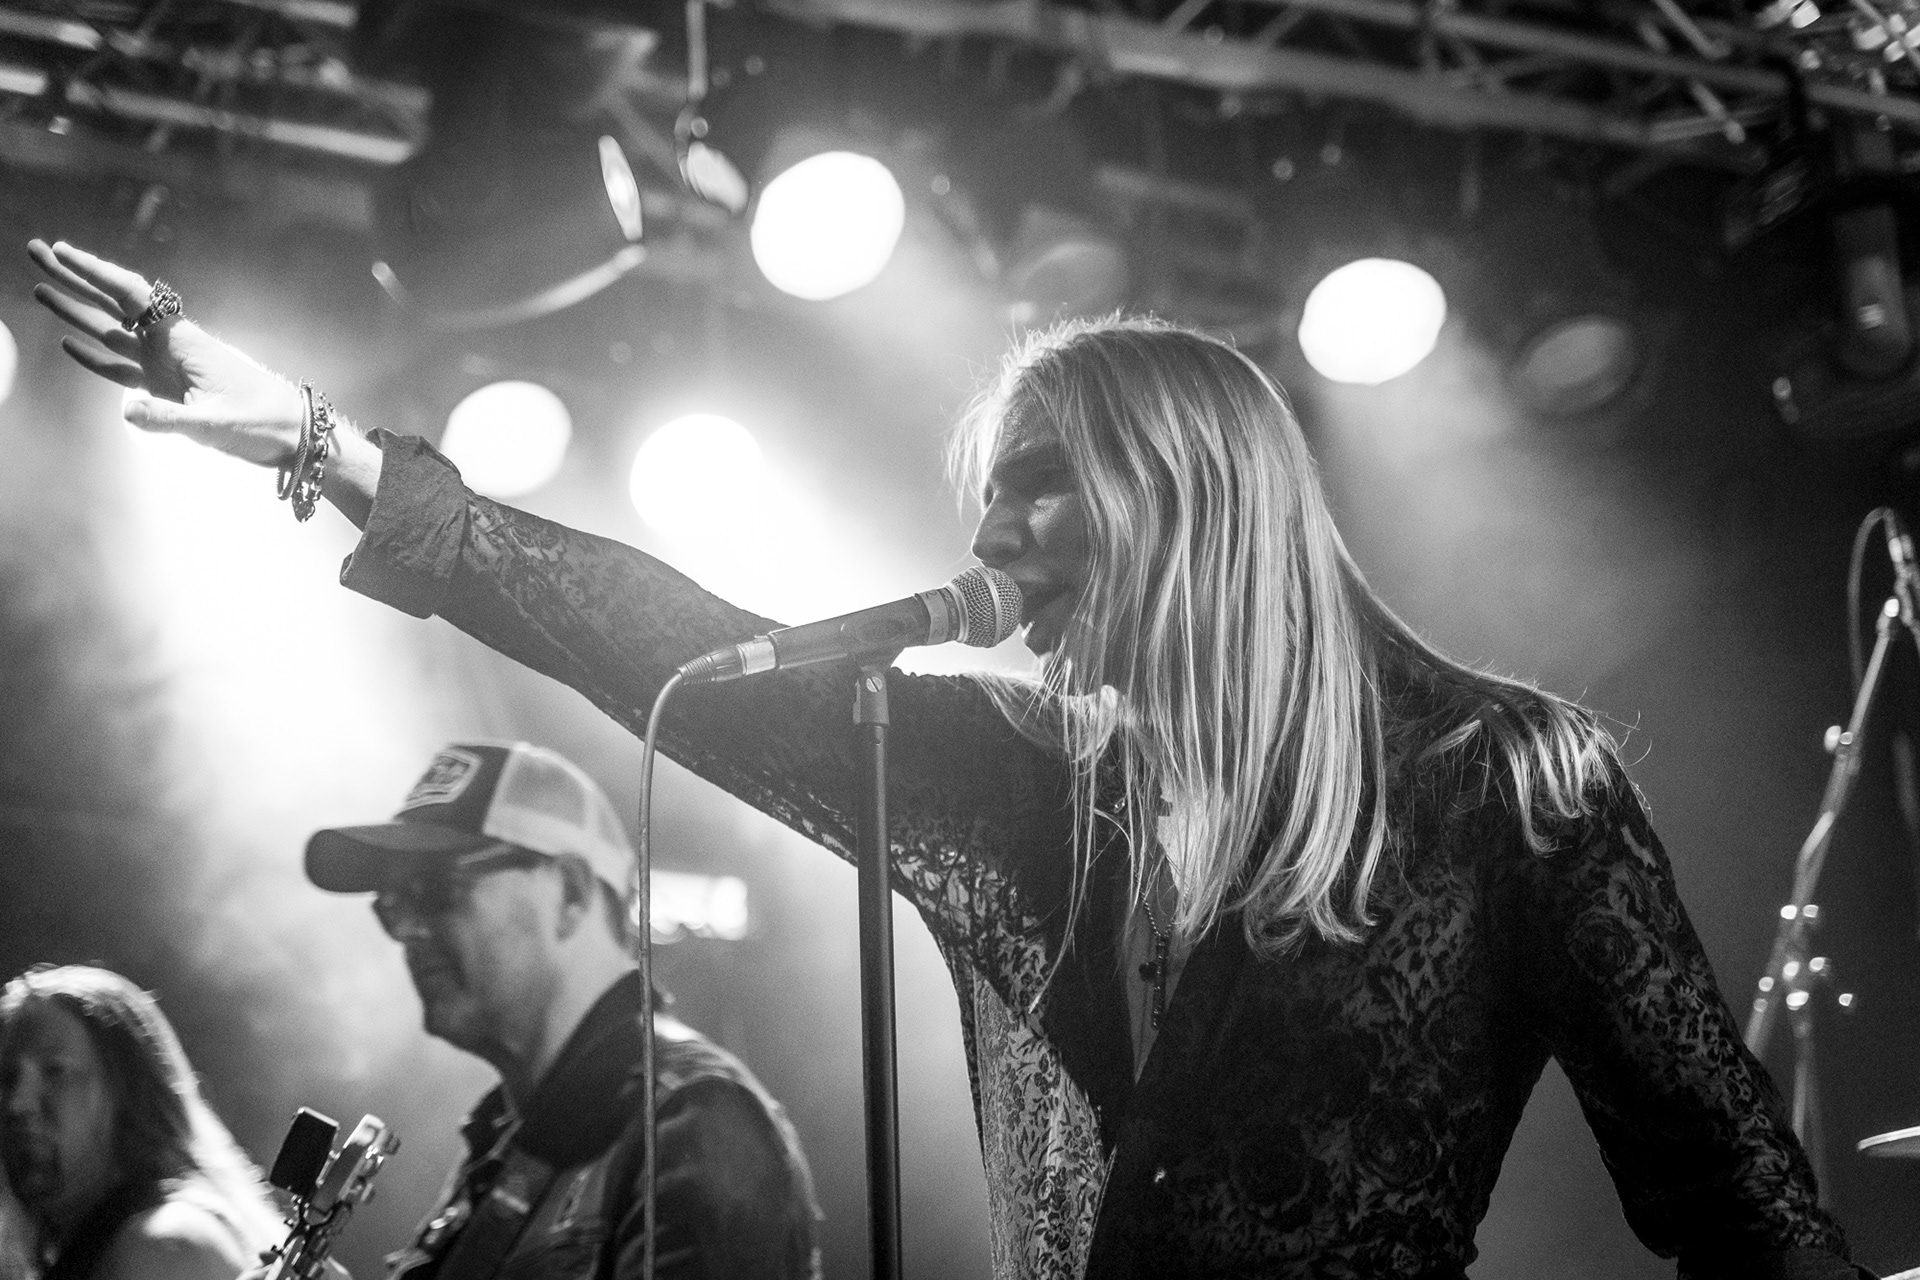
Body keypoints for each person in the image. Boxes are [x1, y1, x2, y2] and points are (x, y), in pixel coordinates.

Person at [26, 239, 1872, 1279]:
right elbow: (665, 640)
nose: (993, 541)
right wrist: (332, 449)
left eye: (1040, 489)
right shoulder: (1030, 788)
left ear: (1191, 495)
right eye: (988, 497)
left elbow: (1737, 1204)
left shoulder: (1505, 784)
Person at [305, 739, 821, 1280]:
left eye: (437, 891)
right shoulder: (506, 1141)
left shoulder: (694, 1120)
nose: (408, 930)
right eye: (393, 906)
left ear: (571, 892)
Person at [0, 965, 283, 1280]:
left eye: (55, 1071)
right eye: (8, 1079)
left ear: (130, 1090)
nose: (16, 1104)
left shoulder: (158, 1249)